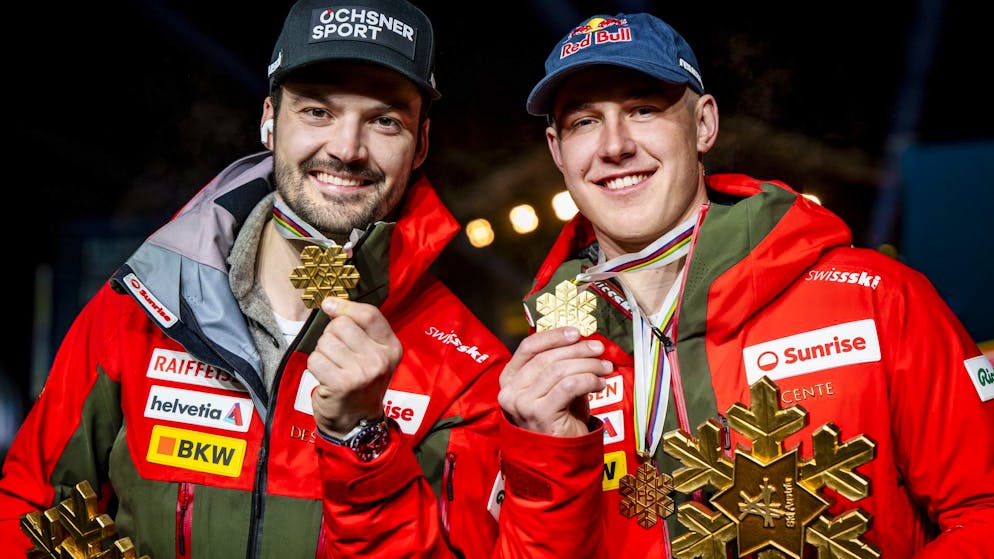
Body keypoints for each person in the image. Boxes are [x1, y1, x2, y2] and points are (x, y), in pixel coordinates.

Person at [0, 0, 511, 557]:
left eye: (385, 120)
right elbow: (29, 505)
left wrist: (362, 439)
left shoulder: (467, 370)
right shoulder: (142, 306)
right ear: (270, 119)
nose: (346, 148)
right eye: (317, 111)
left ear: (422, 145)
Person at [496, 11, 994, 558]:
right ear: (556, 151)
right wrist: (541, 453)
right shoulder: (544, 366)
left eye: (643, 109)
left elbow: (984, 513)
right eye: (583, 122)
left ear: (704, 124)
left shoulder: (875, 299)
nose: (614, 145)